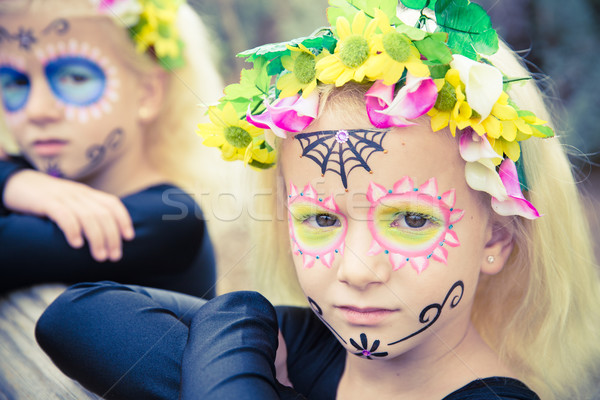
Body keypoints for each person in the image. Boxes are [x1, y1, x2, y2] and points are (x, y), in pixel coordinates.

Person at [36, 1, 600, 399]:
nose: (355, 270)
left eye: (409, 218)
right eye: (320, 218)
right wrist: (244, 310)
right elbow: (77, 317)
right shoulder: (301, 347)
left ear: (497, 237)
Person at [0, 0, 228, 297]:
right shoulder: (23, 178)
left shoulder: (169, 217)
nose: (37, 110)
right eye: (15, 82)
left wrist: (8, 180)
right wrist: (15, 181)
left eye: (75, 77)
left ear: (148, 93)